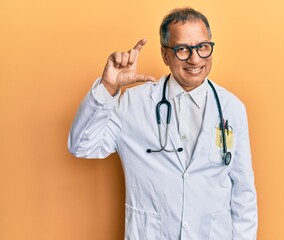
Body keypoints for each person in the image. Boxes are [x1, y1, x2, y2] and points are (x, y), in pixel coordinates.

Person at [68, 7, 258, 240]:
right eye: (182, 50)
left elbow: (243, 193)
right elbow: (81, 146)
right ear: (165, 55)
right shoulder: (132, 105)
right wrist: (108, 87)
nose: (195, 58)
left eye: (202, 47)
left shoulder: (232, 108)